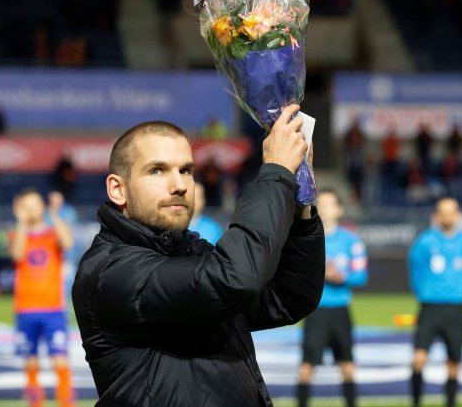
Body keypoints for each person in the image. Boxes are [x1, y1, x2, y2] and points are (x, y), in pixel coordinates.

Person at [72, 106, 325, 406]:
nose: (180, 185)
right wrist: (276, 175)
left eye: (186, 170)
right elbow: (234, 278)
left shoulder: (190, 251)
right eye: (157, 170)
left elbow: (287, 297)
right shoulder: (110, 271)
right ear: (118, 189)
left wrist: (301, 207)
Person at [297, 189, 368, 407]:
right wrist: (318, 274)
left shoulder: (351, 241)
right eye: (321, 204)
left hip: (340, 311)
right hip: (315, 311)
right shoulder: (306, 238)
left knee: (347, 366)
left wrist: (341, 277)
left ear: (339, 210)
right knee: (306, 368)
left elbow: (361, 276)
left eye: (329, 205)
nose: (325, 209)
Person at [408, 197, 462, 407]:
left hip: (455, 308)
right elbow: (415, 267)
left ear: (458, 215)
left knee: (454, 362)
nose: (447, 216)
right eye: (443, 212)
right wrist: (422, 291)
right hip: (430, 307)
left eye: (451, 212)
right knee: (419, 359)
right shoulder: (425, 241)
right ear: (436, 216)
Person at [9, 189, 75, 407]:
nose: (30, 210)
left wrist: (54, 214)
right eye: (26, 206)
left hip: (53, 308)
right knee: (30, 362)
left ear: (42, 207)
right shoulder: (17, 234)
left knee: (60, 359)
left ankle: (66, 403)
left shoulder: (51, 233)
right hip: (25, 308)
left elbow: (68, 243)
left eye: (34, 205)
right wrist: (21, 222)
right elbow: (17, 254)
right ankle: (35, 403)